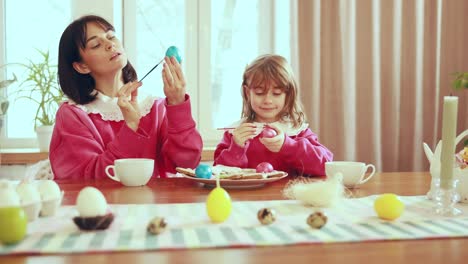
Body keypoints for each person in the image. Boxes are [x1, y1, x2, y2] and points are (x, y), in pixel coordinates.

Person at [50, 15, 202, 180]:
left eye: (111, 36)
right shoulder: (73, 115)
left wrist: (178, 103)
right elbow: (83, 180)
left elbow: (186, 163)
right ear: (82, 66)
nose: (110, 44)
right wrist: (131, 126)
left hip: (156, 205)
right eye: (96, 44)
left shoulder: (155, 107)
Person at [214, 54, 333, 176]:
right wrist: (236, 148)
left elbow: (325, 165)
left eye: (276, 93)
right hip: (245, 195)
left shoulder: (296, 131)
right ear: (247, 93)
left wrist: (288, 146)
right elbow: (219, 174)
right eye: (259, 93)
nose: (268, 100)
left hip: (288, 194)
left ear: (288, 94)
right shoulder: (235, 133)